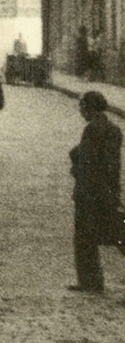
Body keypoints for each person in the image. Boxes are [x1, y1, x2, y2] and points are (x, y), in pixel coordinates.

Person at [69, 91, 121, 293]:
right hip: (107, 190)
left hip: (89, 192)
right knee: (115, 234)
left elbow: (87, 162)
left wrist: (75, 167)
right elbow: (112, 164)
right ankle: (91, 282)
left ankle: (90, 281)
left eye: (82, 108)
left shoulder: (91, 130)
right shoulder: (114, 129)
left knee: (84, 237)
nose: (81, 112)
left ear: (89, 108)